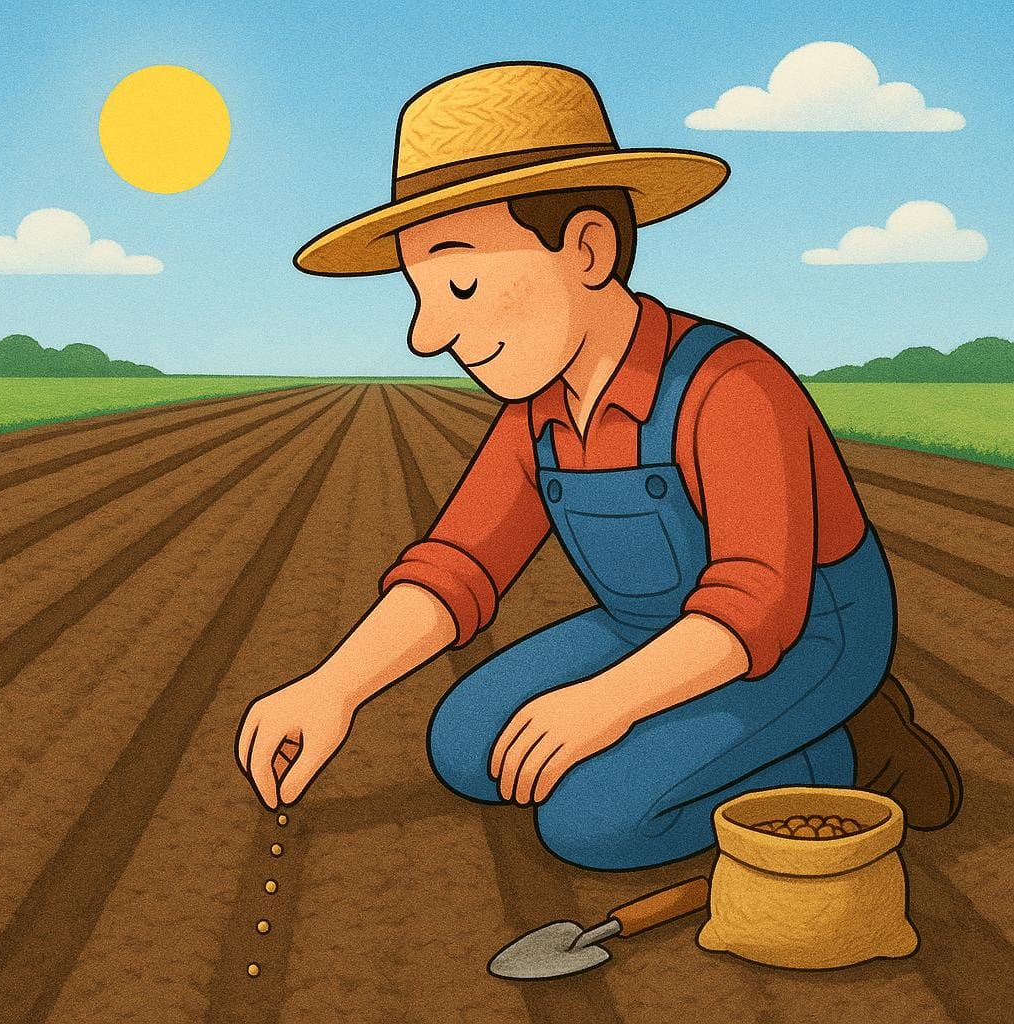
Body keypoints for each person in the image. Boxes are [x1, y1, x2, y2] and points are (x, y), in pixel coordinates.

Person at [235, 62, 961, 869]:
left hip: (806, 637)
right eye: (420, 291)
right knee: (467, 746)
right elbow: (460, 565)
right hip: (650, 625)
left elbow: (759, 603)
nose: (426, 334)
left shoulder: (732, 387)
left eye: (462, 284)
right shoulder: (538, 412)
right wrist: (333, 686)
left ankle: (852, 751)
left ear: (586, 247)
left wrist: (609, 702)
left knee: (593, 822)